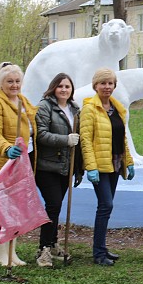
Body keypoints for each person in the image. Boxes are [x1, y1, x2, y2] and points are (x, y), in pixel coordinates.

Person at [0, 61, 38, 266]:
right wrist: (6, 149)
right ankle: (0, 254)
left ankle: (12, 253)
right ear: (1, 83)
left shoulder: (22, 100)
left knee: (14, 208)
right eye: (9, 81)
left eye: (17, 81)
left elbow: (35, 122)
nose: (14, 85)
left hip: (20, 165)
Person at [80, 68, 135, 266]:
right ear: (95, 85)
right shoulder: (89, 108)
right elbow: (85, 140)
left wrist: (128, 162)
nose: (107, 87)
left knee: (106, 207)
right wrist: (91, 167)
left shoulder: (117, 108)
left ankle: (102, 248)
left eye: (110, 83)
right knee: (106, 205)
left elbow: (123, 138)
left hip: (115, 163)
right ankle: (98, 253)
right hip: (100, 165)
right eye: (103, 83)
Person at [34, 73, 83, 268]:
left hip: (66, 167)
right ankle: (43, 249)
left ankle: (53, 244)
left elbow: (79, 142)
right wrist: (65, 140)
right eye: (60, 86)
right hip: (47, 166)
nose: (64, 89)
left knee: (56, 206)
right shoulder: (45, 107)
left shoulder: (74, 109)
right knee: (53, 205)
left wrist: (78, 169)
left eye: (67, 87)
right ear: (53, 87)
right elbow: (41, 135)